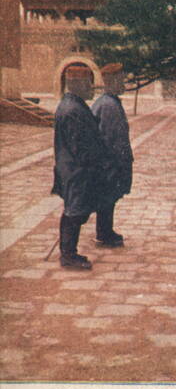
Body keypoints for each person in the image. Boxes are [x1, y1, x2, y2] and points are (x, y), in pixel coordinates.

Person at [52, 65, 107, 270]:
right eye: (88, 84)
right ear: (77, 85)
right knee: (74, 212)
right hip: (77, 171)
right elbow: (81, 146)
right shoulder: (73, 109)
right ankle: (68, 256)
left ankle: (69, 252)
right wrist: (96, 162)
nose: (92, 88)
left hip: (74, 169)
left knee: (75, 211)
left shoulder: (72, 105)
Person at [91, 63, 133, 247]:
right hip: (110, 162)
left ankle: (106, 230)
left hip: (109, 161)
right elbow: (111, 138)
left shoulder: (108, 101)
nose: (123, 83)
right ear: (112, 81)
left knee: (109, 197)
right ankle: (104, 233)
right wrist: (120, 162)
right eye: (121, 80)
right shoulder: (108, 105)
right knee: (108, 196)